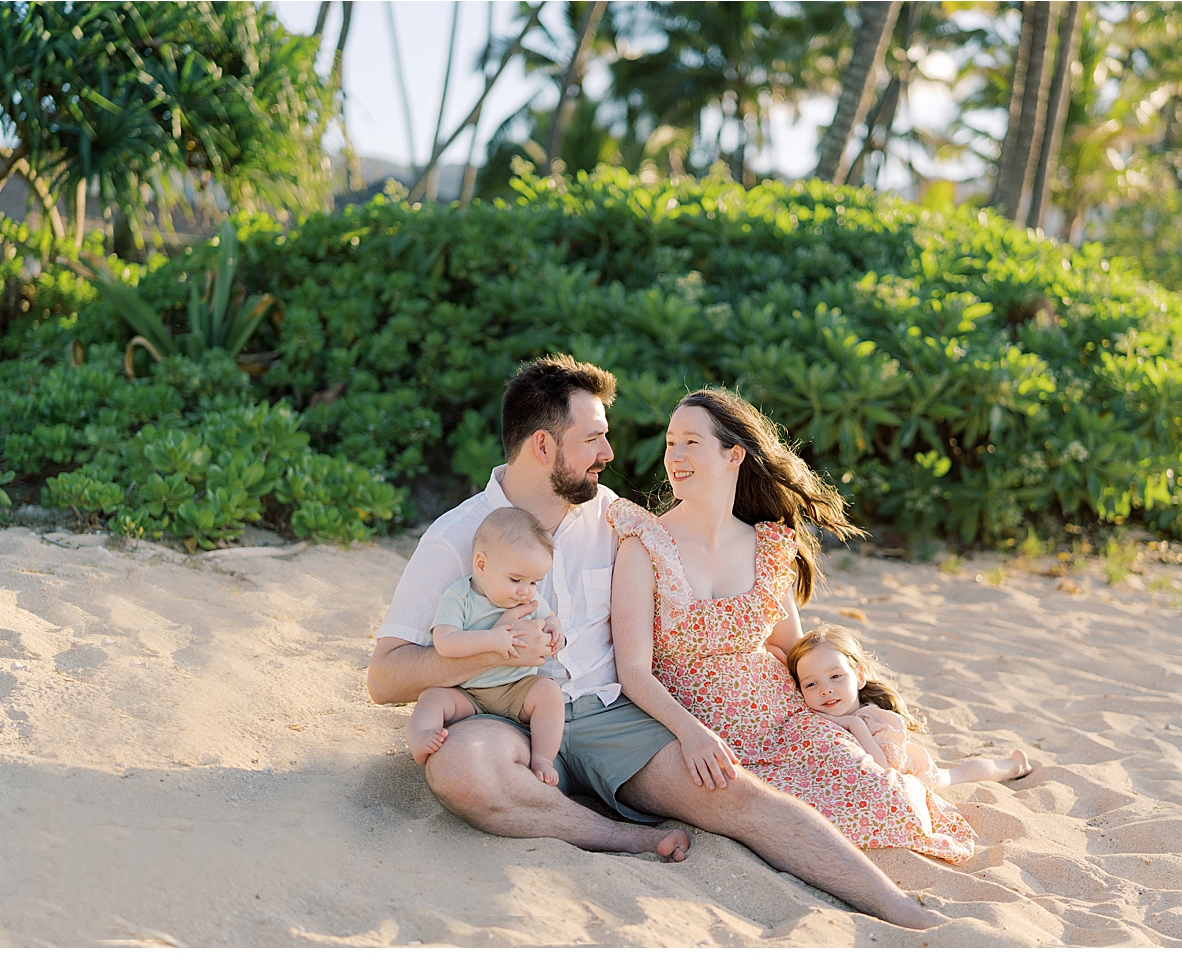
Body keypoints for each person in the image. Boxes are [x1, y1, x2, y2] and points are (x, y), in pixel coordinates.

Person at [367, 354, 942, 930]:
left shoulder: (621, 520)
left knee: (735, 795)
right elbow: (385, 677)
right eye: (593, 440)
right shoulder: (456, 537)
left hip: (609, 717)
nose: (609, 455)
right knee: (461, 771)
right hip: (502, 710)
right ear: (543, 447)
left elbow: (711, 577)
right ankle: (621, 836)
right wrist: (495, 646)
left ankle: (893, 903)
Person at [607, 387, 978, 863]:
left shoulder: (769, 547)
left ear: (733, 454)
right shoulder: (644, 545)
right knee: (784, 819)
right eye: (670, 443)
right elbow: (633, 670)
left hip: (788, 723)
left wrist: (845, 711)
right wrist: (692, 733)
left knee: (888, 803)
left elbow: (795, 650)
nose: (674, 456)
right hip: (702, 738)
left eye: (691, 443)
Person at [404, 506, 566, 786]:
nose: (525, 590)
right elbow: (445, 642)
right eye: (516, 579)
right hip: (468, 692)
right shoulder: (460, 597)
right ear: (481, 565)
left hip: (517, 688)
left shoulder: (528, 600)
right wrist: (492, 639)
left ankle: (542, 758)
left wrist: (554, 627)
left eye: (534, 582)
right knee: (432, 697)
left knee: (549, 693)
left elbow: (548, 615)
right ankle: (420, 736)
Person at [788, 624, 1034, 794]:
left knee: (957, 775)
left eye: (835, 676)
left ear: (859, 676)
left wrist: (855, 726)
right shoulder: (818, 713)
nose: (825, 690)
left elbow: (885, 771)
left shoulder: (875, 719)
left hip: (913, 776)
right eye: (811, 683)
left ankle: (1013, 766)